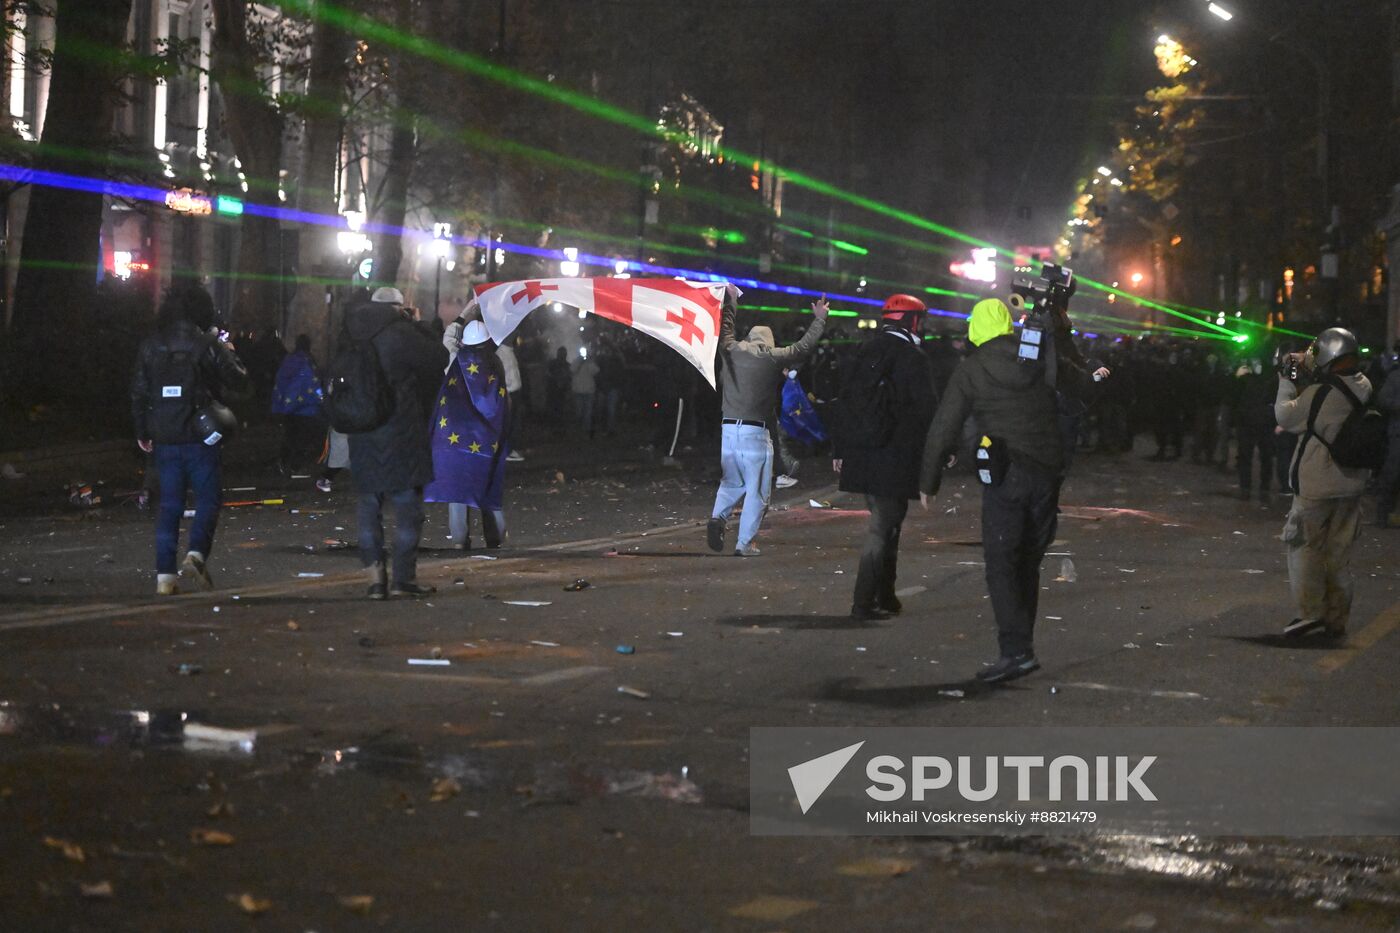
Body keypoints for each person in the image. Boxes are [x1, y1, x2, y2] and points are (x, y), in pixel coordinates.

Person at [919, 298, 1065, 683]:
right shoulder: (1033, 357)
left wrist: (928, 481)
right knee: (1028, 561)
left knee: (1001, 563)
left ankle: (1016, 651)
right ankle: (1022, 646)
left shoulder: (972, 369)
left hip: (1007, 472)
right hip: (1047, 470)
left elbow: (944, 425)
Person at [130, 283, 248, 596]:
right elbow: (240, 381)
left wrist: (143, 431)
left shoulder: (151, 345)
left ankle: (165, 577)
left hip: (165, 435)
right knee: (209, 497)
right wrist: (231, 354)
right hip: (200, 434)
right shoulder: (207, 343)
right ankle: (196, 553)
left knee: (169, 505)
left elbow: (139, 392)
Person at [832, 294, 935, 618]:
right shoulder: (912, 356)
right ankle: (864, 601)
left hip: (864, 454)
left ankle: (885, 595)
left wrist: (840, 449)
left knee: (887, 521)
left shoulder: (863, 351)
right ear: (912, 321)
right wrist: (939, 452)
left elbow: (844, 402)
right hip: (895, 454)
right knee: (883, 528)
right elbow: (926, 409)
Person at [345, 286, 449, 599]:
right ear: (398, 308)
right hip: (400, 430)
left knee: (368, 505)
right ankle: (403, 578)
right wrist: (416, 323)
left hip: (363, 430)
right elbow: (438, 357)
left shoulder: (351, 333)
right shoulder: (401, 334)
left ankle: (375, 578)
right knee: (407, 509)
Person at [708, 294, 828, 556]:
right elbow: (802, 347)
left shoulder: (730, 349)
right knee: (758, 491)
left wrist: (730, 302)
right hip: (755, 432)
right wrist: (819, 320)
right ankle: (744, 544)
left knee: (731, 482)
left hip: (728, 428)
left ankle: (718, 517)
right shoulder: (772, 356)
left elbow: (724, 327)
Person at [1276, 327, 1374, 639]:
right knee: (1339, 557)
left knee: (1304, 548)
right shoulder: (1363, 384)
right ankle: (1336, 619)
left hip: (1318, 483)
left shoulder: (1321, 393)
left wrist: (1286, 379)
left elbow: (1285, 417)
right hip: (1352, 483)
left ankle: (1309, 615)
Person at [425, 308, 510, 550]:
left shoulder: (454, 359)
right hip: (486, 435)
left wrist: (464, 314)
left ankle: (460, 539)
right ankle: (495, 536)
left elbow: (448, 339)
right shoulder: (497, 363)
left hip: (452, 434)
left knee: (457, 488)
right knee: (487, 482)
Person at [271, 334, 324, 472]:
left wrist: (282, 401)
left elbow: (281, 380)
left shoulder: (289, 360)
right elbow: (313, 381)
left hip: (290, 407)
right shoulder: (308, 361)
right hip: (306, 407)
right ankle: (295, 463)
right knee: (302, 436)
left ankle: (285, 459)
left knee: (291, 434)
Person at [1233, 358, 1276, 503]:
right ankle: (1253, 487)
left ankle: (1255, 487)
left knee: (1260, 457)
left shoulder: (1267, 379)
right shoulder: (1265, 379)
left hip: (1257, 422)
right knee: (1255, 457)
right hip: (1254, 422)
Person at [1376, 347, 1400, 528]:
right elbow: (1383, 400)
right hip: (1397, 435)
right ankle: (1383, 514)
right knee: (1391, 475)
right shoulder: (1395, 377)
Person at [496, 338, 526, 461]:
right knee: (509, 423)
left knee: (514, 422)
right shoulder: (501, 353)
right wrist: (506, 392)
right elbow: (502, 375)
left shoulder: (510, 351)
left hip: (514, 392)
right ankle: (507, 451)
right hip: (508, 393)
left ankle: (509, 449)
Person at [572, 350, 600, 436]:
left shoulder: (590, 362)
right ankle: (579, 427)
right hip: (579, 390)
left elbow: (596, 371)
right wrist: (580, 361)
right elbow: (572, 369)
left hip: (588, 390)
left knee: (588, 411)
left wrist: (589, 361)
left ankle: (586, 429)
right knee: (579, 411)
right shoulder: (576, 361)